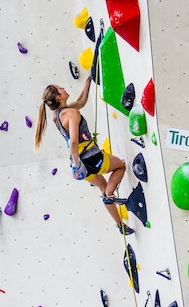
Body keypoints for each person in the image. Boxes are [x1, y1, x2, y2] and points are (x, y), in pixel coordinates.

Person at [34, 76, 133, 235]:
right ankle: (110, 194)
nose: (64, 88)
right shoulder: (71, 113)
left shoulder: (57, 116)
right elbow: (73, 142)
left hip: (81, 166)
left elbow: (81, 102)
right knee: (120, 166)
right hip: (89, 158)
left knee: (102, 186)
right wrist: (76, 163)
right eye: (61, 88)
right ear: (59, 97)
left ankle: (120, 225)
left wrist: (88, 80)